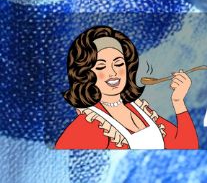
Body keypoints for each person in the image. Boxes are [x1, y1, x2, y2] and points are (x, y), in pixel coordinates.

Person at [54, 25, 199, 150]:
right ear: (85, 74)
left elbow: (187, 148)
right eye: (101, 66)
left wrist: (178, 101)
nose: (113, 73)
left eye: (118, 64)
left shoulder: (140, 110)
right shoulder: (88, 125)